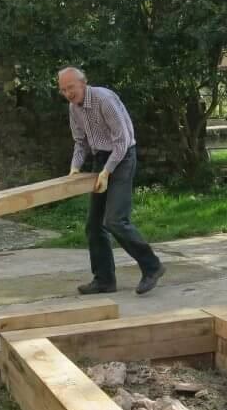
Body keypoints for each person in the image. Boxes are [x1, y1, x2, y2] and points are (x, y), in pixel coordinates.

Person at [58, 67, 165, 295]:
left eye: (71, 88)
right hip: (101, 158)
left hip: (123, 156)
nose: (68, 93)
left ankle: (152, 266)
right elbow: (80, 142)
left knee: (115, 220)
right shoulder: (73, 108)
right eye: (63, 89)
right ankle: (104, 280)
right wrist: (75, 168)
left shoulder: (103, 99)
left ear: (83, 83)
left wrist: (107, 173)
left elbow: (122, 141)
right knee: (94, 226)